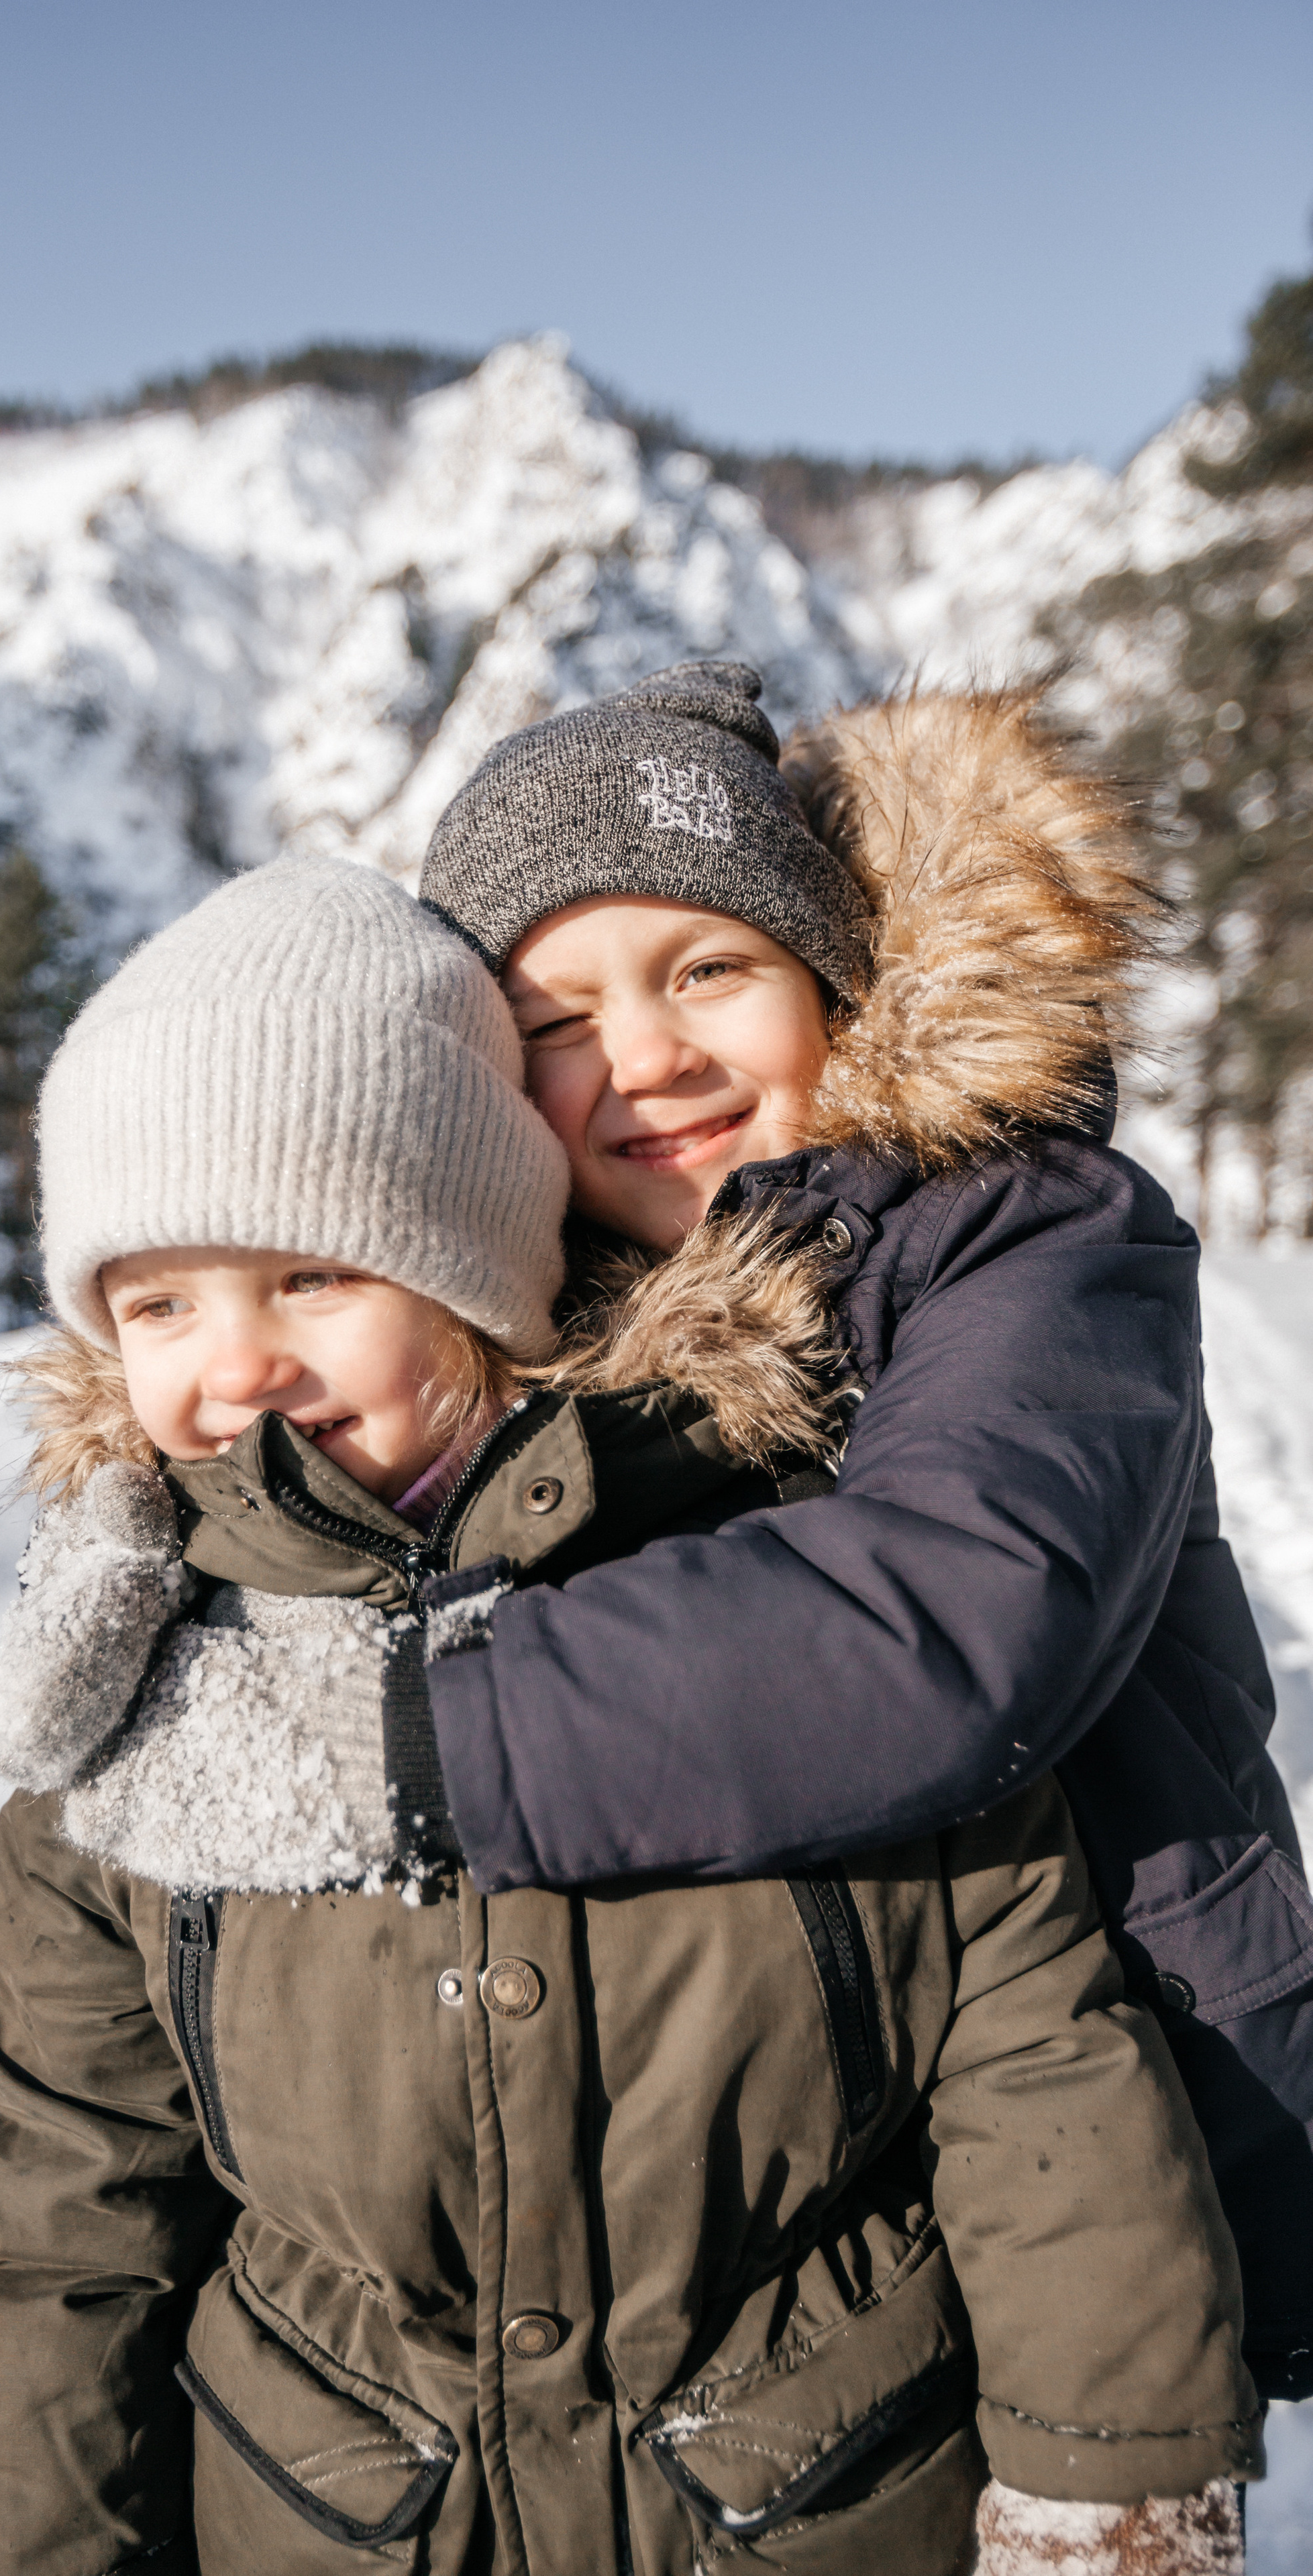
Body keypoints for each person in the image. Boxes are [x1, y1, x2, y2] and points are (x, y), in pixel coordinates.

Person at [0, 857, 1257, 2576]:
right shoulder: (131, 1695)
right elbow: (71, 2219)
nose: (236, 1363)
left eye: (313, 1279)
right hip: (334, 2514)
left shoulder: (760, 1587)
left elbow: (1032, 2054)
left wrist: (1105, 2492)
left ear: (478, 1273)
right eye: (158, 1303)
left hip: (819, 2500)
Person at [415, 660, 1313, 2408]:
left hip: (1100, 2116)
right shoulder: (528, 1319)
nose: (648, 1054)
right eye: (557, 1020)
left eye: (709, 971)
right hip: (759, 2182)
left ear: (834, 980)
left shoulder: (1030, 1234)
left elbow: (948, 1624)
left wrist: (387, 1734)